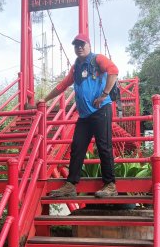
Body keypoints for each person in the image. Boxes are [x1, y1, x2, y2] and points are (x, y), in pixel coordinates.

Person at [42, 33, 119, 198]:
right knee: (77, 148)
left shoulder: (97, 59)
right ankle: (70, 185)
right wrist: (43, 99)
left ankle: (110, 185)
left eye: (82, 44)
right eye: (76, 45)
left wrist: (105, 94)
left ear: (89, 45)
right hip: (84, 116)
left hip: (101, 111)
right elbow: (63, 85)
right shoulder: (76, 66)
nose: (79, 47)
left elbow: (113, 71)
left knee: (104, 147)